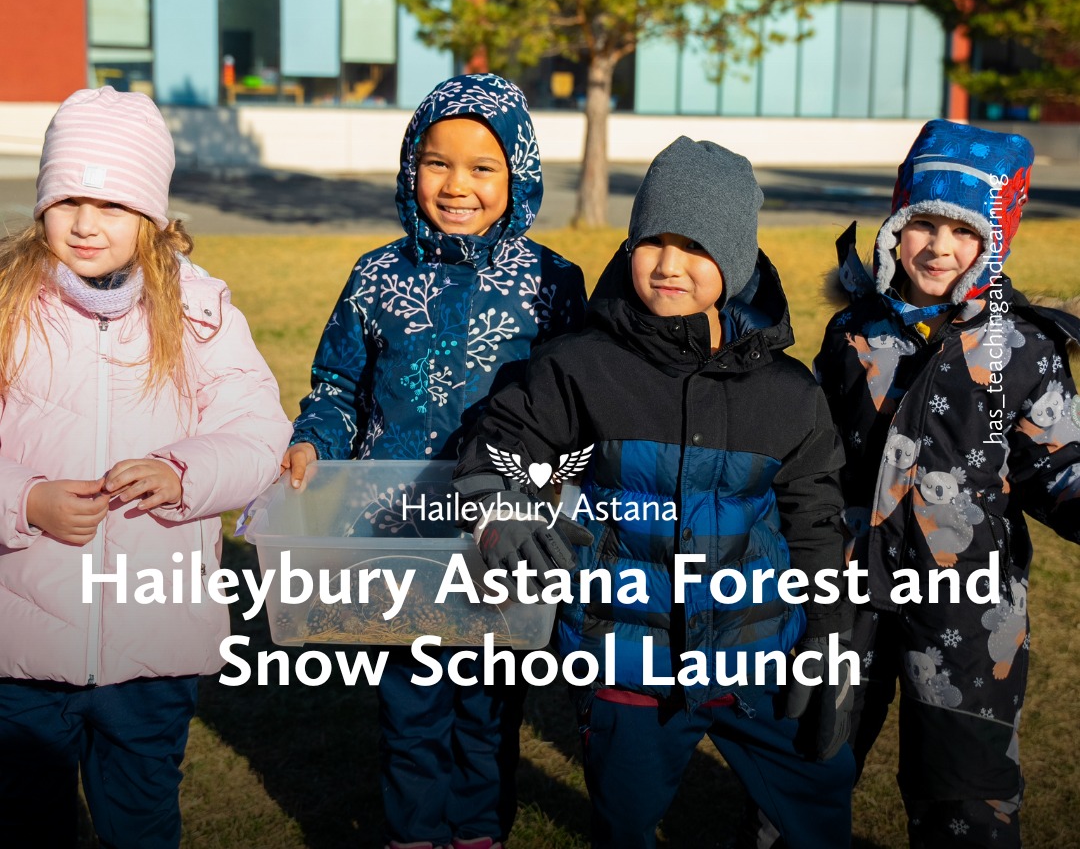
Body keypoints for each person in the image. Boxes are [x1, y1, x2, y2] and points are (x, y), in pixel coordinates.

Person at [453, 136, 857, 849]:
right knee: (625, 819)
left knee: (819, 806)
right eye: (653, 242)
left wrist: (828, 637)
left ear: (734, 261)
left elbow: (816, 522)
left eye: (695, 247)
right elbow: (495, 446)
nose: (669, 265)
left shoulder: (789, 394)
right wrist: (501, 516)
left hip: (759, 652)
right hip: (625, 662)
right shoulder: (579, 366)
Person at [282, 73, 587, 849]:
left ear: (517, 175)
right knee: (411, 703)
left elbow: (574, 400)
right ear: (410, 164)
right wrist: (314, 435)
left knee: (486, 706)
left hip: (499, 535)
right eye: (437, 162)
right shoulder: (377, 276)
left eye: (482, 168)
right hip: (395, 529)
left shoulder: (552, 283)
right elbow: (339, 384)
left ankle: (478, 830)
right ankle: (415, 832)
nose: (456, 186)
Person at [0, 86, 292, 848]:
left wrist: (184, 474)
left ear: (152, 216)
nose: (87, 223)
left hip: (152, 647)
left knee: (142, 824)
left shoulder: (200, 311)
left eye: (112, 203)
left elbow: (259, 430)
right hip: (20, 650)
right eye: (68, 200)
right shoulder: (8, 308)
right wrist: (24, 501)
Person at [814, 119, 1080, 847]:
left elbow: (1057, 462)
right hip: (848, 591)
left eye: (963, 233)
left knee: (965, 791)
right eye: (921, 225)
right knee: (808, 759)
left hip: (970, 609)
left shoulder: (1023, 347)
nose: (939, 248)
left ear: (996, 238)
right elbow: (813, 449)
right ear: (895, 226)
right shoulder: (856, 332)